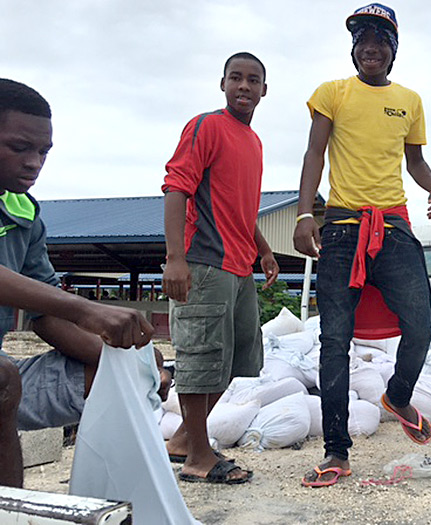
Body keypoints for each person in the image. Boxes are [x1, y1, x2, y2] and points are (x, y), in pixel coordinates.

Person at [293, 4, 431, 487]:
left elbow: (414, 160)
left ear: (393, 49)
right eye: (362, 39)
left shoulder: (409, 100)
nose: (370, 47)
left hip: (396, 227)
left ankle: (397, 395)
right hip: (341, 228)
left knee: (421, 324)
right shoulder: (332, 94)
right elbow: (315, 153)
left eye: (380, 39)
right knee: (334, 341)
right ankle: (337, 449)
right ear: (353, 49)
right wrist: (304, 214)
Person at [0, 78, 163, 488]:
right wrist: (87, 308)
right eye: (20, 148)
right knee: (3, 379)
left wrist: (125, 361)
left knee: (118, 369)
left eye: (43, 151)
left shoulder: (22, 213)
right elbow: (63, 306)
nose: (34, 162)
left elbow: (45, 312)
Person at [161, 52, 279, 485]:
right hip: (204, 263)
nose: (244, 86)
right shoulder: (206, 126)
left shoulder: (254, 141)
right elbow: (177, 187)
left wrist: (263, 250)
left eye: (253, 80)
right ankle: (198, 457)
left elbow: (241, 208)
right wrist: (176, 258)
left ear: (264, 90)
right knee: (200, 360)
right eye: (236, 78)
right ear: (223, 83)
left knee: (235, 361)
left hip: (239, 266)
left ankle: (180, 440)